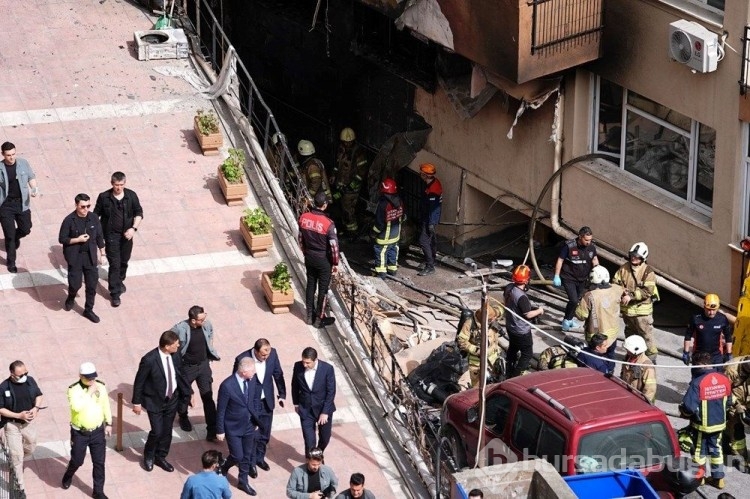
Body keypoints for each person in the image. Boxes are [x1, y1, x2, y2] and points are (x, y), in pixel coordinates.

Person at [132, 330, 193, 473]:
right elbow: (139, 381)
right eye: (176, 345)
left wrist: (189, 392)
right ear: (167, 346)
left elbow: (181, 373)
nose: (178, 347)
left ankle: (161, 456)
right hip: (155, 401)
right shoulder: (149, 359)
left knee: (167, 432)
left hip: (172, 400)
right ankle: (149, 455)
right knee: (157, 431)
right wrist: (136, 402)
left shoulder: (175, 355)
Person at [679, 351, 732, 490]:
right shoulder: (724, 378)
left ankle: (700, 478)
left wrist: (683, 412)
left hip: (701, 425)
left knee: (698, 452)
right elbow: (729, 402)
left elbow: (688, 407)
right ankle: (718, 479)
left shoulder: (698, 382)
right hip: (719, 424)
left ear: (698, 365)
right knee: (717, 450)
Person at [233, 338, 286, 472]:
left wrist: (282, 394)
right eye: (263, 355)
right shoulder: (242, 359)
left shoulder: (272, 354)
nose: (266, 357)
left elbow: (278, 374)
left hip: (267, 400)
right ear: (255, 351)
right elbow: (236, 383)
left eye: (267, 354)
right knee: (252, 435)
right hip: (251, 403)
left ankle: (259, 458)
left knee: (265, 433)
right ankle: (250, 462)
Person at [61, 362, 112, 499]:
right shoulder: (73, 389)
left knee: (99, 462)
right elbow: (76, 407)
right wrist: (89, 393)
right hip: (80, 433)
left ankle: (98, 491)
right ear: (80, 376)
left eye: (93, 378)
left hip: (97, 432)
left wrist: (109, 423)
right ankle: (68, 474)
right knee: (77, 460)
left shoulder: (100, 386)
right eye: (88, 378)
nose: (91, 381)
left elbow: (105, 405)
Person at [93, 171, 143, 307]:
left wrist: (133, 229)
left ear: (124, 184)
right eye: (116, 185)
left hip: (127, 236)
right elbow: (95, 215)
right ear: (112, 183)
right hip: (111, 236)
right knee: (114, 264)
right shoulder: (104, 197)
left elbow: (139, 213)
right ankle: (114, 293)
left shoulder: (131, 196)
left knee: (124, 261)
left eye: (121, 185)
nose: (119, 187)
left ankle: (119, 280)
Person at [171, 305, 220, 441]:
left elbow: (210, 338)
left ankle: (212, 430)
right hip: (188, 367)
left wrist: (209, 357)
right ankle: (183, 416)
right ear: (193, 320)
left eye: (205, 318)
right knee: (184, 394)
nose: (204, 321)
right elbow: (168, 341)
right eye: (201, 320)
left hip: (203, 366)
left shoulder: (207, 325)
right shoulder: (180, 329)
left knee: (208, 396)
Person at [216, 357, 260, 496]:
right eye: (252, 370)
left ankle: (243, 481)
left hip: (249, 425)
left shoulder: (251, 381)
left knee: (247, 455)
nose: (255, 373)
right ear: (244, 371)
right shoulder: (227, 386)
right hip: (233, 427)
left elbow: (254, 400)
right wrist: (220, 430)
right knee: (237, 455)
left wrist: (256, 419)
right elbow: (221, 409)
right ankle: (225, 466)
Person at [59, 193, 106, 323]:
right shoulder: (69, 220)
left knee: (92, 285)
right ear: (76, 205)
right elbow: (62, 239)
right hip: (75, 257)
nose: (86, 209)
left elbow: (99, 236)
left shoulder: (94, 218)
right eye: (83, 206)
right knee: (75, 284)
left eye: (88, 206)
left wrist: (102, 253)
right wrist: (77, 239)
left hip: (90, 257)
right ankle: (71, 296)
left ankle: (88, 310)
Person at [612, 242, 660, 363]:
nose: (634, 258)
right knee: (630, 334)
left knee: (646, 335)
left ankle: (651, 359)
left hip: (642, 312)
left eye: (637, 256)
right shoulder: (623, 269)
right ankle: (632, 355)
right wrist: (622, 291)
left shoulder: (648, 272)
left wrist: (631, 296)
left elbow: (647, 291)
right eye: (632, 255)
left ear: (643, 257)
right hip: (628, 311)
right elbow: (615, 283)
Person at [0, 360, 43, 493]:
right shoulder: (3, 388)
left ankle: (18, 460)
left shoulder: (30, 381)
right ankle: (20, 487)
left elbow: (39, 395)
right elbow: (1, 409)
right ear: (12, 374)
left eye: (25, 373)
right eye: (20, 375)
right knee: (16, 456)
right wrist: (19, 416)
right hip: (12, 425)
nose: (24, 376)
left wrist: (35, 408)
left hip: (28, 423)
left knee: (31, 446)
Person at [298, 191, 339, 327]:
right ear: (325, 205)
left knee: (310, 285)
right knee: (323, 290)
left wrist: (305, 252)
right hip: (323, 259)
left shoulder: (303, 218)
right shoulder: (328, 224)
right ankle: (319, 320)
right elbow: (334, 246)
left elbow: (300, 239)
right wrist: (335, 263)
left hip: (309, 256)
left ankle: (309, 316)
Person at [575, 265, 623, 371]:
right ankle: (610, 372)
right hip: (612, 335)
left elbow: (581, 316)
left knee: (595, 359)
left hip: (596, 337)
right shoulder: (617, 289)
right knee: (610, 355)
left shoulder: (589, 295)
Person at [0, 141, 39, 273]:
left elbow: (31, 177)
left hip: (22, 203)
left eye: (13, 154)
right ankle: (11, 262)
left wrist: (34, 188)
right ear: (3, 155)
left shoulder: (23, 163)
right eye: (8, 155)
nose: (11, 157)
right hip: (5, 206)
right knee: (9, 235)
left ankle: (16, 236)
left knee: (26, 228)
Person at [553, 226, 599, 330]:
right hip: (569, 277)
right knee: (573, 300)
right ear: (580, 237)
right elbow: (560, 260)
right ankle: (567, 320)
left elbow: (595, 260)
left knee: (577, 300)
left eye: (590, 240)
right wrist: (556, 275)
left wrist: (598, 272)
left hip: (582, 279)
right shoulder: (569, 246)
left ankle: (569, 318)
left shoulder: (591, 247)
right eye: (586, 240)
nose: (589, 242)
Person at [291, 347, 336, 453]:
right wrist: (296, 404)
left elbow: (331, 392)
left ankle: (318, 454)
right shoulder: (298, 366)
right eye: (303, 361)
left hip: (323, 409)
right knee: (309, 441)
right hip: (306, 410)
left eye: (308, 363)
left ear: (315, 360)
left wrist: (325, 412)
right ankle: (312, 461)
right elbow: (295, 386)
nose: (304, 365)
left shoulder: (327, 369)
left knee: (325, 438)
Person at [503, 265, 544, 377]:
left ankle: (508, 370)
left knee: (513, 348)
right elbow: (528, 315)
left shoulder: (509, 288)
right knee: (527, 354)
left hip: (510, 326)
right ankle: (516, 375)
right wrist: (539, 311)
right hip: (521, 330)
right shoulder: (522, 297)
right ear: (526, 280)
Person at [456, 297, 504, 387]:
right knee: (478, 388)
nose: (494, 320)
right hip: (477, 363)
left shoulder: (492, 315)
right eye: (491, 319)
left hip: (493, 360)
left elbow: (501, 309)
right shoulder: (470, 324)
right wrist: (477, 350)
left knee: (494, 384)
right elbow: (461, 341)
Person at [332, 127, 368, 239]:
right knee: (341, 207)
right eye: (345, 142)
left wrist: (352, 185)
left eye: (349, 142)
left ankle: (353, 232)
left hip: (351, 188)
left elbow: (362, 172)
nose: (347, 144)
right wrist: (334, 175)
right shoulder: (341, 149)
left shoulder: (358, 152)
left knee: (348, 210)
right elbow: (338, 165)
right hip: (340, 185)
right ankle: (345, 228)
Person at [683, 293, 733, 368]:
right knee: (699, 378)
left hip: (716, 356)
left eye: (714, 310)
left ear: (718, 308)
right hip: (699, 355)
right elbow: (688, 336)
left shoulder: (722, 319)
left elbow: (728, 337)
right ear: (704, 307)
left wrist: (729, 354)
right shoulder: (696, 318)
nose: (711, 312)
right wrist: (686, 352)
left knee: (717, 378)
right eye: (709, 310)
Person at [371, 178, 403, 278]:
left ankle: (381, 273)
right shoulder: (400, 201)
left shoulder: (383, 204)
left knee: (381, 252)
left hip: (385, 236)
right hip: (396, 234)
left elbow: (379, 223)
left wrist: (373, 232)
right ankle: (392, 269)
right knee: (393, 250)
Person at [723, 355, 750, 469]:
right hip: (733, 401)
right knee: (736, 427)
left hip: (746, 401)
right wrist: (737, 405)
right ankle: (741, 458)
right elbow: (724, 390)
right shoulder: (731, 369)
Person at [417, 163, 442, 276]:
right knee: (431, 240)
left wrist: (431, 223)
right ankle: (432, 260)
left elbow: (434, 209)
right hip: (427, 217)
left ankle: (430, 266)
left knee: (423, 241)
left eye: (422, 173)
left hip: (429, 219)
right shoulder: (431, 184)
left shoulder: (433, 189)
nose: (420, 175)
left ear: (426, 175)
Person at [620, 335, 657, 403]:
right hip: (627, 395)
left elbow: (650, 389)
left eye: (628, 349)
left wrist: (643, 404)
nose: (626, 350)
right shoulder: (628, 358)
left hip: (639, 400)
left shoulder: (647, 366)